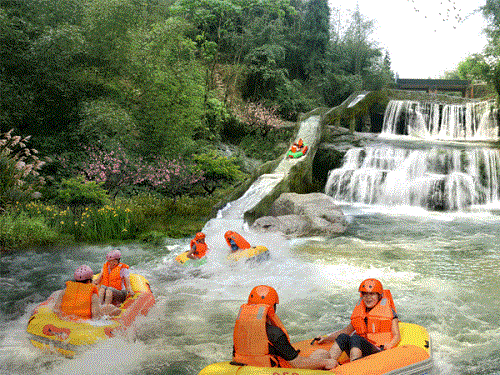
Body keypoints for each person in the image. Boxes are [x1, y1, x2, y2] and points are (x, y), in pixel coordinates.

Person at [232, 285, 337, 370]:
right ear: (272, 308)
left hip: (248, 369)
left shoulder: (241, 331)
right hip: (274, 370)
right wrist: (326, 362)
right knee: (322, 353)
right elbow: (298, 364)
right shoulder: (275, 334)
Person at [314, 278, 401, 366]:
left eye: (372, 294)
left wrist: (390, 345)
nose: (368, 297)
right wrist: (326, 338)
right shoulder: (360, 312)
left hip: (377, 350)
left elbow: (396, 335)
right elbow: (346, 331)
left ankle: (354, 368)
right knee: (343, 336)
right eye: (365, 294)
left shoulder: (389, 312)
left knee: (355, 338)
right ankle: (328, 364)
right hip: (359, 348)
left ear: (379, 296)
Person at [53, 265, 120, 320]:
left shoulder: (65, 290)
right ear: (89, 281)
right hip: (84, 322)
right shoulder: (93, 295)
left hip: (65, 318)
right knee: (112, 308)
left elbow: (56, 309)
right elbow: (95, 316)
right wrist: (106, 318)